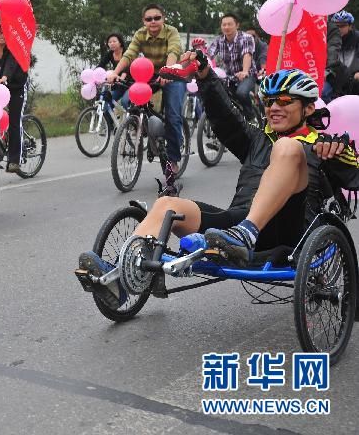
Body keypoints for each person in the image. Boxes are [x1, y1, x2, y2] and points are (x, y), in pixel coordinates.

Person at [79, 56, 359, 309]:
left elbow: (353, 178)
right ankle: (119, 276)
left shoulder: (324, 146)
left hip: (291, 231)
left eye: (285, 101)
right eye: (269, 101)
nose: (274, 108)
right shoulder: (256, 139)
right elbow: (225, 116)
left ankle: (246, 233)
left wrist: (342, 154)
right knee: (167, 204)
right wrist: (204, 75)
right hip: (237, 224)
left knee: (287, 149)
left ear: (309, 107)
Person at [106, 4, 185, 179]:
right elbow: (129, 54)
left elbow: (174, 51)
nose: (153, 21)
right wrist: (115, 73)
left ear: (163, 19)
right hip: (150, 74)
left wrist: (168, 70)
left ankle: (173, 159)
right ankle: (148, 127)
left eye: (157, 18)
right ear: (144, 21)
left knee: (173, 115)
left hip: (173, 73)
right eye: (149, 19)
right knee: (128, 102)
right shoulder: (140, 34)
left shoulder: (171, 32)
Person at [0, 20, 28, 173]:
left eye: (4, 32)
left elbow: (11, 64)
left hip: (16, 87)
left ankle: (15, 159)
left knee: (15, 122)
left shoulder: (14, 48)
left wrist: (5, 77)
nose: (1, 35)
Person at [206, 13, 258, 121]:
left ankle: (251, 118)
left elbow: (247, 54)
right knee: (218, 94)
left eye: (230, 24)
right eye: (224, 24)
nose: (226, 27)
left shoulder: (246, 38)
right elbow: (208, 56)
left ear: (237, 25)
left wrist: (244, 71)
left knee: (242, 93)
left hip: (248, 74)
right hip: (229, 76)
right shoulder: (218, 40)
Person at [322, 11, 359, 102]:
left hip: (353, 76)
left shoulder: (357, 37)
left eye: (343, 26)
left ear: (350, 26)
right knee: (325, 93)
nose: (339, 28)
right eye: (336, 25)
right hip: (334, 76)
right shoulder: (329, 37)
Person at [97, 32, 128, 108]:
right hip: (118, 85)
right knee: (105, 104)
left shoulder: (127, 52)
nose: (112, 44)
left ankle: (132, 119)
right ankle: (111, 120)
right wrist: (93, 75)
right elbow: (101, 65)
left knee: (125, 102)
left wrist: (122, 77)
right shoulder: (110, 54)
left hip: (129, 84)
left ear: (120, 42)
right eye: (109, 42)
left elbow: (127, 68)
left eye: (114, 41)